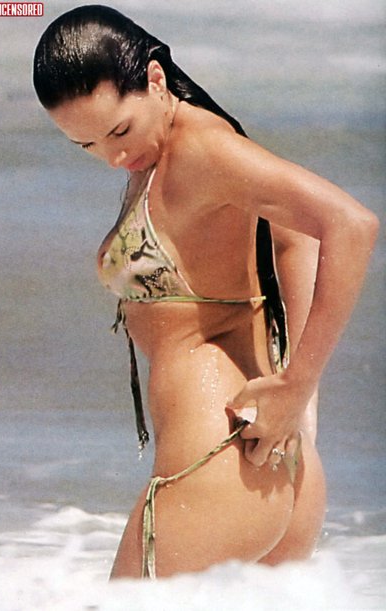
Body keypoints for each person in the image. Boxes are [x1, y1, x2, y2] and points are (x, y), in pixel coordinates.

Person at [33, 5, 378, 579]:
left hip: (215, 465)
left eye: (119, 130)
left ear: (155, 80)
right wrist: (297, 398)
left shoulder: (200, 149)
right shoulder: (167, 154)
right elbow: (293, 236)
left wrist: (299, 385)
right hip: (261, 458)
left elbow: (350, 225)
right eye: (86, 144)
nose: (113, 157)